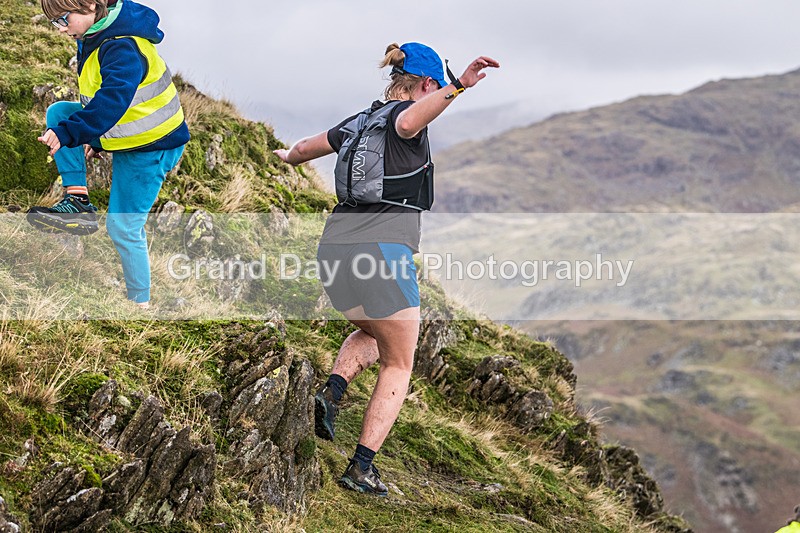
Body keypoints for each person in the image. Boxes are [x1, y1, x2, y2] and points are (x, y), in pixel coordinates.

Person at [274, 42, 498, 496]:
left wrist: (280, 156)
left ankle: (331, 395)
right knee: (399, 363)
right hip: (383, 251)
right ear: (427, 84)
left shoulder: (359, 122)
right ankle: (361, 469)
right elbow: (411, 120)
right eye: (438, 87)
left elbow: (301, 149)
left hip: (335, 248)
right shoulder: (404, 120)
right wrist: (461, 86)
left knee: (378, 332)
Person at [28, 0, 189, 308]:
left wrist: (71, 134)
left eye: (63, 19)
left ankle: (140, 303)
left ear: (90, 5)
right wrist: (99, 139)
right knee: (60, 113)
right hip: (130, 129)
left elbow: (112, 102)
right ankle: (78, 202)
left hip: (152, 145)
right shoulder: (93, 31)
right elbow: (109, 102)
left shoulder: (121, 46)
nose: (60, 28)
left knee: (123, 227)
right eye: (55, 22)